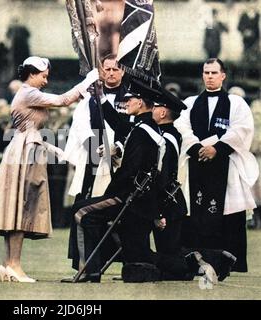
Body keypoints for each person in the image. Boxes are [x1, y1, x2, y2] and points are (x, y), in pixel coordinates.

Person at [0, 56, 99, 282]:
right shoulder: (28, 93)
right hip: (26, 151)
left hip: (27, 147)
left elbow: (30, 130)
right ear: (32, 74)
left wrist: (55, 150)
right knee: (23, 205)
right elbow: (64, 100)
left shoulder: (27, 94)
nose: (46, 80)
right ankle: (14, 264)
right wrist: (87, 81)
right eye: (43, 76)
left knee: (18, 205)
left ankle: (8, 263)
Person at [63, 78, 166, 282]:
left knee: (81, 212)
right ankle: (92, 269)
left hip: (129, 197)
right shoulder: (146, 127)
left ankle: (88, 271)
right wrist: (101, 96)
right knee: (89, 212)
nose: (126, 103)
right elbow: (118, 124)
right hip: (137, 197)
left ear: (140, 102)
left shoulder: (141, 132)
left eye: (130, 99)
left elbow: (129, 171)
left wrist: (110, 193)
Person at [174, 58, 258, 273]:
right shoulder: (191, 102)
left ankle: (230, 262)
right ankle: (196, 261)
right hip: (196, 164)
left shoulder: (236, 103)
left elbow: (241, 129)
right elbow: (182, 126)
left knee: (228, 211)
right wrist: (195, 148)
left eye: (214, 73)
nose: (209, 77)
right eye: (206, 72)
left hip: (225, 165)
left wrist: (217, 148)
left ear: (223, 76)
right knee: (195, 209)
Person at [65, 53, 132, 273]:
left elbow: (130, 127)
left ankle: (125, 261)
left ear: (122, 71)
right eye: (107, 69)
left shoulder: (131, 96)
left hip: (120, 161)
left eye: (115, 69)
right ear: (102, 71)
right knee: (85, 206)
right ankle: (85, 264)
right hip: (94, 158)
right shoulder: (90, 97)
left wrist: (118, 148)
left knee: (119, 214)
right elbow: (80, 125)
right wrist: (93, 146)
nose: (111, 73)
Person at [151, 89, 188, 255]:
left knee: (171, 258)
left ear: (163, 112)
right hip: (167, 201)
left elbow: (164, 173)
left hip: (168, 204)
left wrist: (158, 210)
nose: (151, 109)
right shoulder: (166, 133)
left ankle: (216, 261)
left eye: (155, 107)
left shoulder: (168, 136)